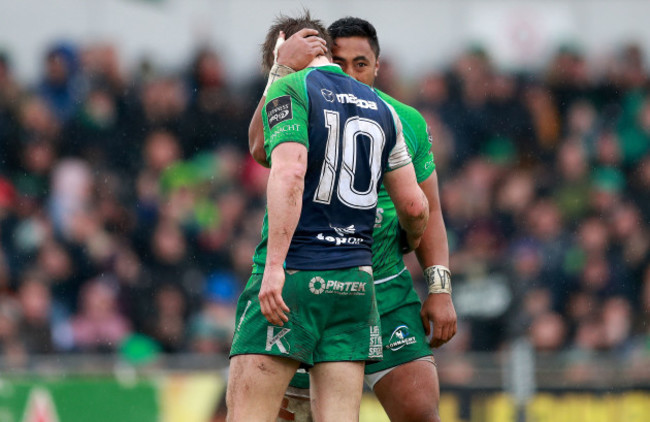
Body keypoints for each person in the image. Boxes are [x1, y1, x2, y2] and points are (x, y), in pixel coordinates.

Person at [249, 17, 457, 422]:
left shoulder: (405, 120)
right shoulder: (306, 99)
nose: (349, 73)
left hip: (380, 288)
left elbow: (430, 210)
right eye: (339, 62)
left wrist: (440, 287)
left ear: (378, 66)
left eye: (360, 63)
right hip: (319, 280)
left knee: (418, 411)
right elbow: (260, 148)